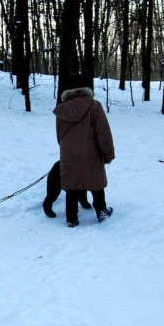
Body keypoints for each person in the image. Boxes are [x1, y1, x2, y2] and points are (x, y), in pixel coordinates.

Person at [53, 75, 115, 227]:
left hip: (69, 154)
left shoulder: (62, 109)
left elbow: (59, 135)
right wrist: (108, 154)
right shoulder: (94, 106)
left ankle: (71, 219)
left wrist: (67, 149)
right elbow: (103, 133)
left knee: (72, 186)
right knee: (96, 183)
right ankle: (101, 212)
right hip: (91, 153)